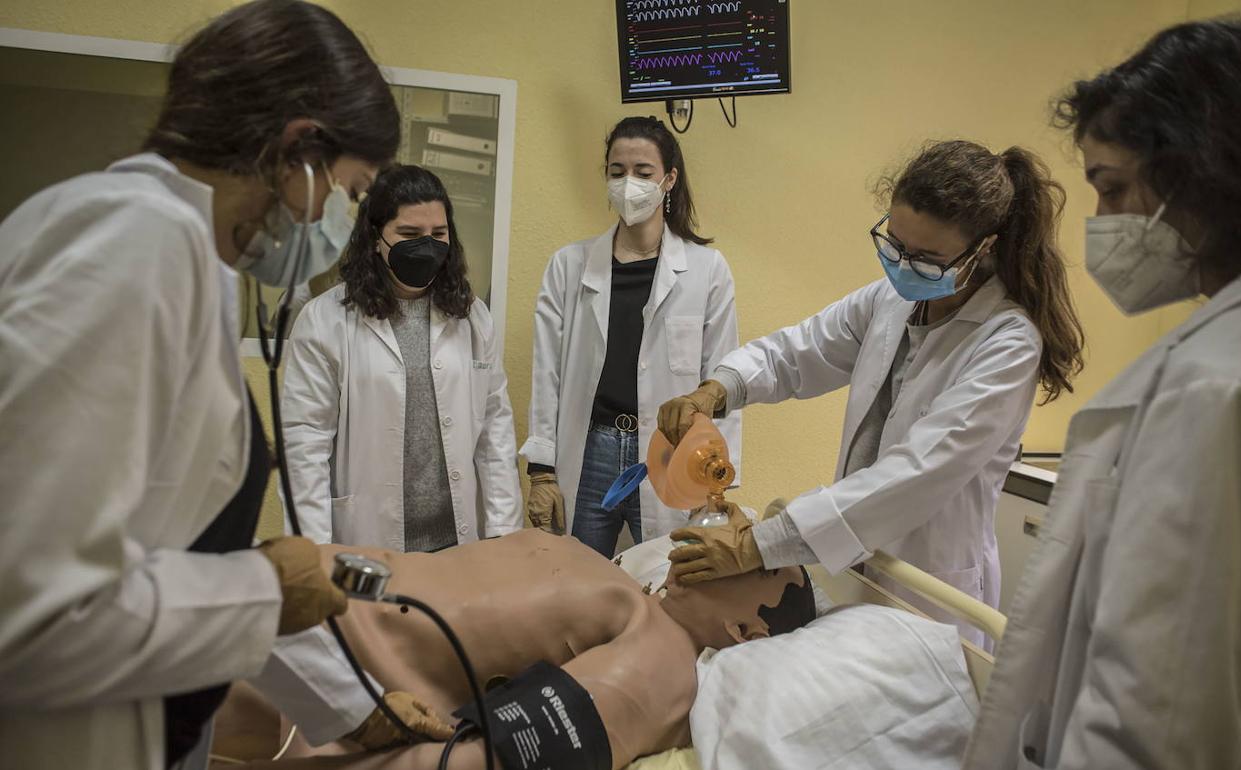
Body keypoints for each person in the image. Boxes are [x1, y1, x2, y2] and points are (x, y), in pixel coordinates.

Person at [0, 2, 402, 768]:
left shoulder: (184, 258)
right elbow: (27, 610)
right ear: (300, 151)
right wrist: (263, 588)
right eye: (348, 191)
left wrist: (353, 709)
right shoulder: (133, 246)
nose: (337, 221)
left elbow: (174, 549)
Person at [661, 139, 1085, 646]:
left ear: (984, 249)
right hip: (860, 570)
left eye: (927, 258)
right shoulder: (891, 299)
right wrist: (719, 389)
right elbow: (798, 351)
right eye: (896, 245)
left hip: (931, 587)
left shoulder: (1007, 343)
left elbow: (916, 473)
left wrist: (759, 545)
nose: (903, 266)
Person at [964, 18, 1241, 768]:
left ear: (1199, 170)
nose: (1102, 225)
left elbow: (1154, 713)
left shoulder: (1206, 385)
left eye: (1114, 188)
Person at [210, 529, 816, 769]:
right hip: (281, 595)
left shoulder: (662, 662)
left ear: (746, 632)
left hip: (296, 688)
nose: (728, 542)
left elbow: (488, 761)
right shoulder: (612, 573)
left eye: (754, 563)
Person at [522, 116, 741, 556]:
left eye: (643, 173)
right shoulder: (569, 266)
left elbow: (723, 377)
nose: (629, 184)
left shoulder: (706, 270)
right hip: (590, 449)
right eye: (617, 172)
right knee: (575, 581)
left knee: (666, 578)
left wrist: (720, 477)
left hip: (669, 452)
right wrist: (542, 471)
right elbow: (546, 373)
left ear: (669, 179)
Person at [282, 164, 523, 552]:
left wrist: (503, 531)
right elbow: (304, 443)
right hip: (368, 537)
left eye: (438, 234)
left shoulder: (472, 316)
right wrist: (314, 550)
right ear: (375, 237)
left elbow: (494, 432)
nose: (427, 246)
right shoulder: (326, 320)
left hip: (458, 537)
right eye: (409, 234)